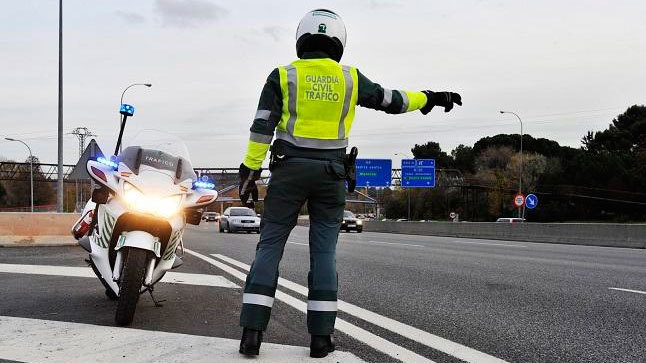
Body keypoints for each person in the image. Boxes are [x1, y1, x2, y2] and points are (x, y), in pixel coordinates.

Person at [237, 9, 462, 358]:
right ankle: (321, 339)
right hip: (331, 176)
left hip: (288, 172)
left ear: (301, 39)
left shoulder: (283, 75)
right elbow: (392, 100)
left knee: (269, 247)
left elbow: (262, 126)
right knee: (323, 254)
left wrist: (249, 173)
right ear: (338, 42)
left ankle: (252, 333)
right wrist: (431, 97)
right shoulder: (350, 78)